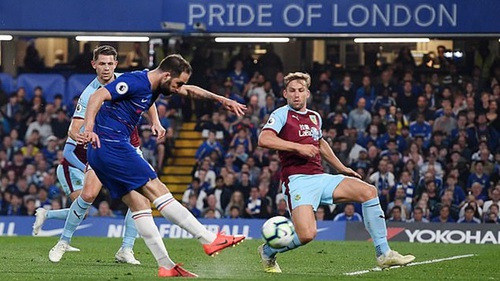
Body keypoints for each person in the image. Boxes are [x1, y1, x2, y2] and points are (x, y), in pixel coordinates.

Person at [82, 54, 246, 277]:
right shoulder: (135, 81)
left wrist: (221, 100)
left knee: (139, 205)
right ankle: (208, 239)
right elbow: (97, 96)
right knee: (158, 190)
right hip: (111, 144)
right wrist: (89, 127)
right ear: (167, 75)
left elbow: (191, 91)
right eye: (178, 83)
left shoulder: (155, 86)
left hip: (100, 153)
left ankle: (166, 265)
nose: (179, 89)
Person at [257, 72, 414, 273]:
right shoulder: (281, 114)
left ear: (307, 93)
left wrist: (341, 167)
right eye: (292, 91)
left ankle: (384, 253)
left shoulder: (315, 117)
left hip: (321, 178)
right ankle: (268, 251)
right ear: (285, 94)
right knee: (306, 234)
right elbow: (264, 139)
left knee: (369, 191)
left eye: (301, 91)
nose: (297, 95)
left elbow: (320, 143)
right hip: (297, 181)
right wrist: (298, 147)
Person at [36, 46, 152, 265]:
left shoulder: (129, 81)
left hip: (130, 148)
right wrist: (77, 136)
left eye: (110, 63)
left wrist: (154, 121)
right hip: (103, 149)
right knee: (88, 195)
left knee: (143, 199)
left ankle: (126, 249)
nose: (106, 68)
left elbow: (149, 94)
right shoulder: (90, 93)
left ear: (116, 64)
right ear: (94, 65)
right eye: (102, 63)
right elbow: (74, 127)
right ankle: (63, 241)